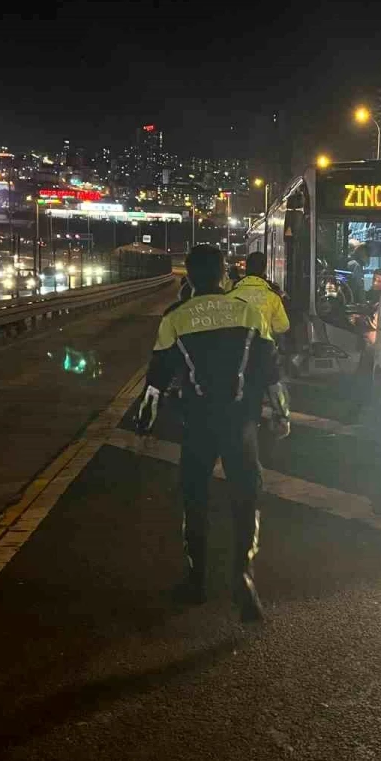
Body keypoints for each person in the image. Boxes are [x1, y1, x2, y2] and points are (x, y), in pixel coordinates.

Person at [135, 244, 290, 622]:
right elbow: (271, 371)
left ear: (188, 275)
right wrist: (283, 413)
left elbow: (156, 379)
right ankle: (243, 576)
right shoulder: (250, 313)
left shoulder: (175, 318)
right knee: (246, 496)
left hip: (199, 424)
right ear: (224, 274)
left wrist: (145, 421)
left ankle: (196, 581)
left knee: (195, 498)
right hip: (241, 423)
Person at [228, 250, 290, 338]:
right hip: (264, 347)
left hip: (237, 347)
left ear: (247, 268)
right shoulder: (273, 297)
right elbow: (283, 326)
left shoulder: (230, 296)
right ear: (264, 269)